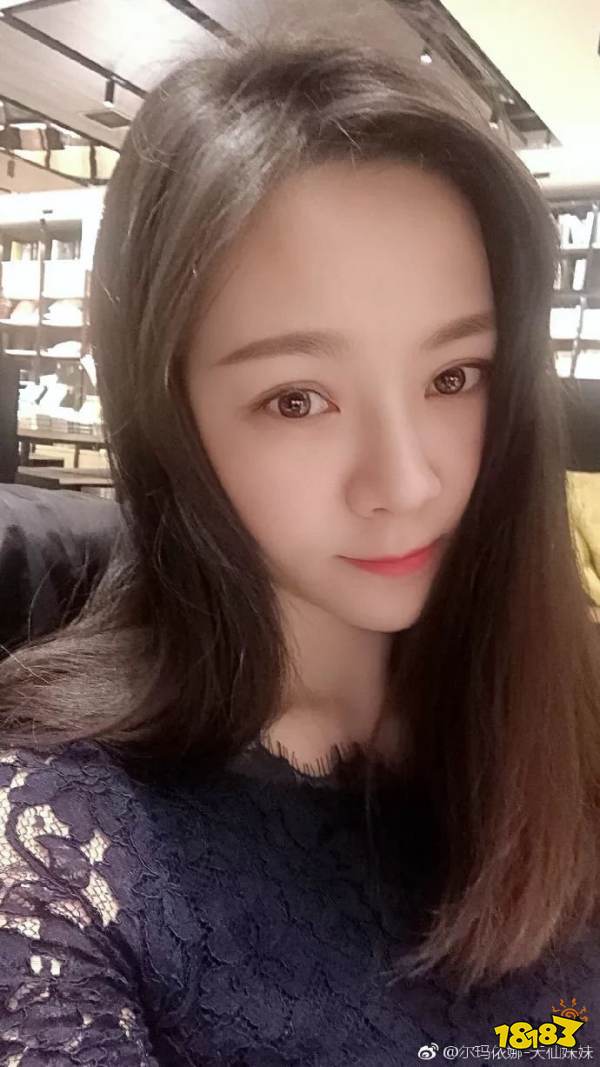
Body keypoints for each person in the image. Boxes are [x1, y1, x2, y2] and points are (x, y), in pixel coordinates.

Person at [0, 22, 599, 1066]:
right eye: (298, 398)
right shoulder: (60, 850)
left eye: (453, 376)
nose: (406, 482)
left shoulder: (570, 713)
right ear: (168, 416)